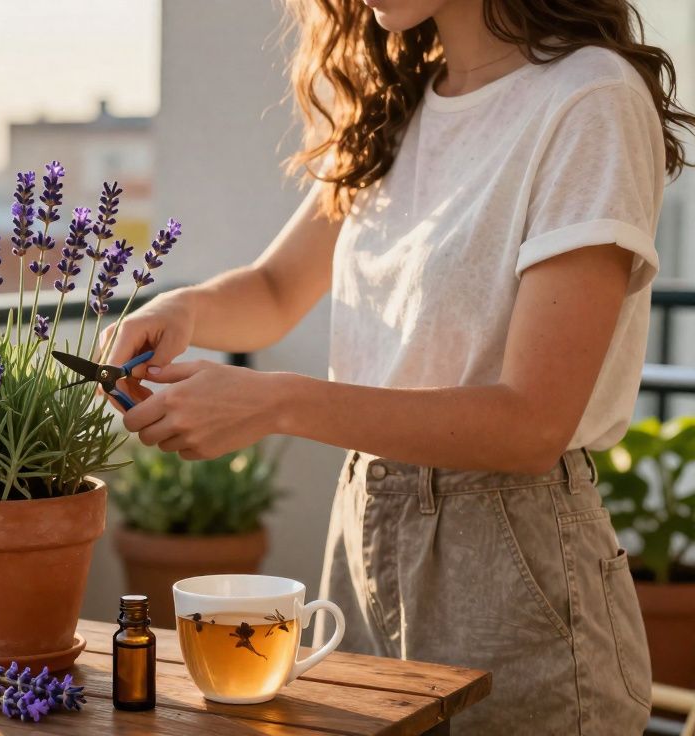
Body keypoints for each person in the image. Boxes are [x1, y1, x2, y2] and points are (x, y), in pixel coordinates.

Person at [104, 0, 694, 732]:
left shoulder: (589, 97)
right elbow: (277, 289)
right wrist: (183, 308)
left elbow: (532, 423)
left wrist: (276, 403)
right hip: (358, 542)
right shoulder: (395, 105)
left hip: (515, 568)